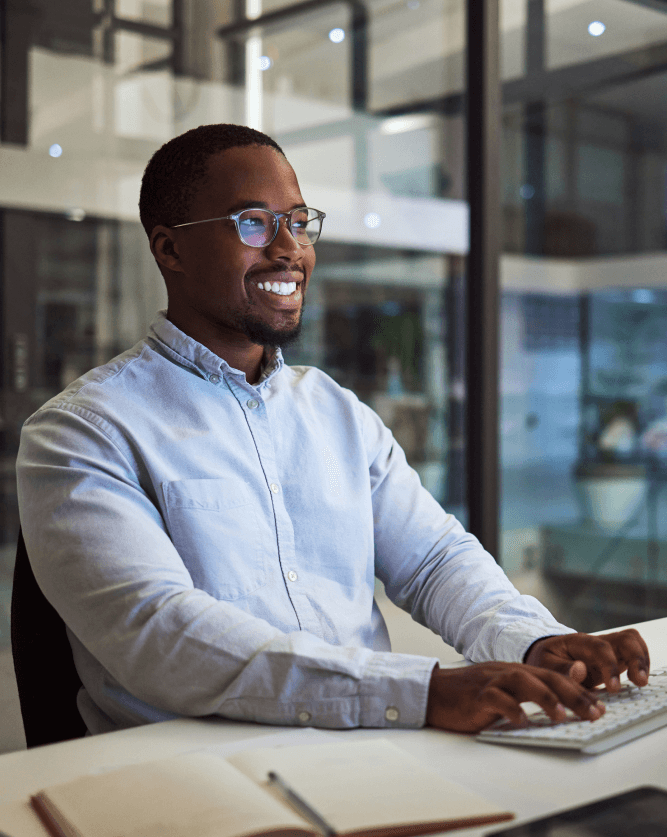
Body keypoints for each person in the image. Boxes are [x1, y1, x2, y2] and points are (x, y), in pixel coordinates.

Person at [16, 124, 650, 737]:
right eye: (253, 222)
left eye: (297, 220)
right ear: (170, 248)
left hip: (373, 743)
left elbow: (434, 561)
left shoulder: (335, 412)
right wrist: (421, 691)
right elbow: (160, 634)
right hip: (200, 772)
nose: (289, 248)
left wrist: (537, 642)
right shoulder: (83, 433)